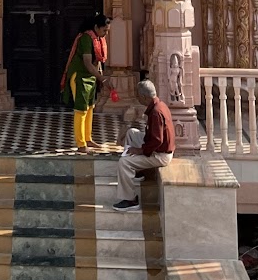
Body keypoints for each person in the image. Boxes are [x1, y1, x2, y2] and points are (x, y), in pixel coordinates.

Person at [113, 79, 175, 209]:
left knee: (124, 163)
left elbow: (157, 141)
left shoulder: (156, 112)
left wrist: (140, 150)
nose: (137, 98)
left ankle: (130, 199)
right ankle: (136, 171)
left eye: (138, 95)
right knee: (131, 133)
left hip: (161, 155)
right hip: (157, 147)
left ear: (144, 97)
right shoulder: (159, 104)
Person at [61, 13, 110, 151]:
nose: (106, 33)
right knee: (81, 109)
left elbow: (97, 61)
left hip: (91, 77)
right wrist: (102, 79)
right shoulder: (86, 38)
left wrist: (101, 76)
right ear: (96, 27)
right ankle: (81, 143)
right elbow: (88, 63)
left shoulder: (98, 39)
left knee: (90, 108)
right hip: (80, 76)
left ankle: (88, 139)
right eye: (104, 30)